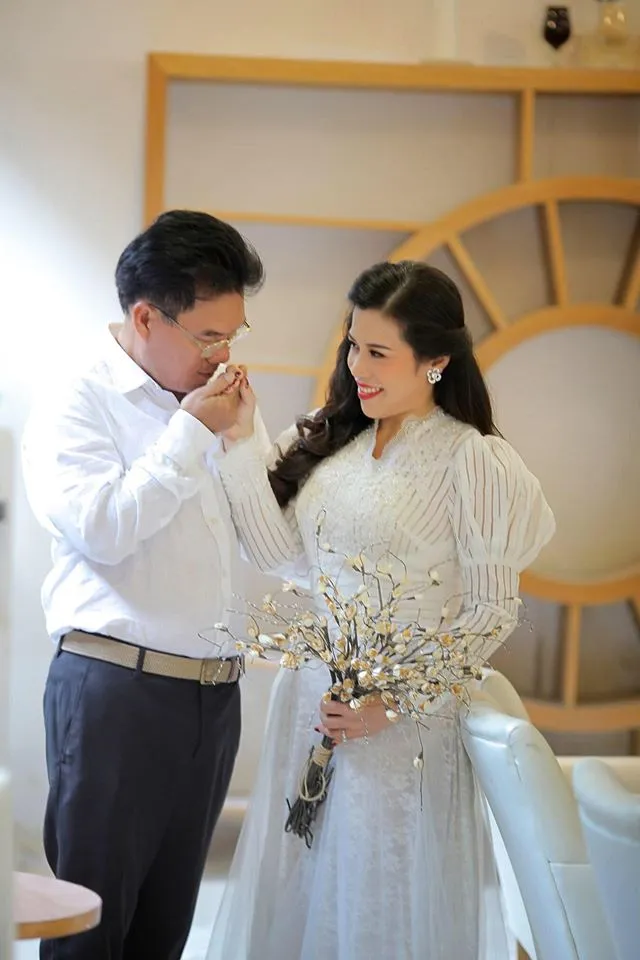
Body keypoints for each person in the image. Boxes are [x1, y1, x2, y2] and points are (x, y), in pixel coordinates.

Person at [205, 261, 556, 960]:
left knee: (379, 905)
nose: (356, 367)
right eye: (352, 345)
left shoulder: (473, 460)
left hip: (402, 734)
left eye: (377, 352)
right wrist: (242, 439)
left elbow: (490, 610)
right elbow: (280, 554)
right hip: (312, 708)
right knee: (299, 900)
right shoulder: (334, 440)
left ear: (434, 362)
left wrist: (390, 705)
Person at [22, 210, 266, 960]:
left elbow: (265, 539)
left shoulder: (215, 403)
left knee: (164, 935)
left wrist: (243, 440)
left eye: (233, 335)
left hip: (212, 698)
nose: (222, 355)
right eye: (208, 336)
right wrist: (191, 432)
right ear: (145, 317)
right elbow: (103, 528)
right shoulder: (78, 400)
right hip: (115, 693)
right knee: (89, 933)